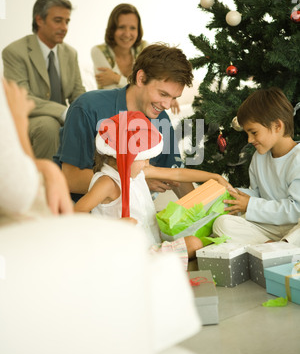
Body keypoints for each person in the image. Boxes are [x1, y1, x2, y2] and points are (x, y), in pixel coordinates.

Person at [74, 111, 230, 268]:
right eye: (145, 158)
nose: (148, 163)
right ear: (126, 157)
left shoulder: (138, 171)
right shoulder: (107, 183)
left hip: (151, 245)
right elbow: (74, 214)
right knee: (194, 244)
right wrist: (114, 228)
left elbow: (176, 173)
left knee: (197, 235)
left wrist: (214, 176)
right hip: (129, 255)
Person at [55, 43, 194, 202]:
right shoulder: (88, 107)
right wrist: (136, 181)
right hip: (86, 211)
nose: (167, 105)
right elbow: (71, 179)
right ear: (141, 78)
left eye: (174, 98)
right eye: (163, 94)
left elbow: (175, 172)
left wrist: (205, 213)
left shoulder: (160, 118)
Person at [2, 0, 86, 160]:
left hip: (62, 118)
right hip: (30, 118)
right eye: (58, 20)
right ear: (39, 20)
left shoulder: (70, 53)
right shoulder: (14, 52)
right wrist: (63, 112)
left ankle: (79, 182)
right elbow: (22, 98)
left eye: (67, 21)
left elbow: (78, 93)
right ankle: (43, 183)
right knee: (48, 126)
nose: (64, 27)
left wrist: (89, 113)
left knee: (90, 123)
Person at [213, 87, 300, 246]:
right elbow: (258, 194)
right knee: (222, 224)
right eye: (247, 134)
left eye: (254, 132)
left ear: (277, 126)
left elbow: (295, 210)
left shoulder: (298, 158)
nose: (249, 139)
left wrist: (250, 205)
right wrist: (236, 194)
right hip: (269, 225)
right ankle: (274, 246)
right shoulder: (259, 158)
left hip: (295, 227)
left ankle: (282, 247)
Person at [0, 78, 73, 226]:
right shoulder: (13, 55)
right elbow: (19, 193)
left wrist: (45, 168)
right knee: (48, 126)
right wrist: (19, 122)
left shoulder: (69, 54)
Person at [91, 3, 147, 90]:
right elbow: (111, 92)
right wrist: (138, 85)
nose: (127, 34)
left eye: (132, 28)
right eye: (121, 27)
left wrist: (117, 79)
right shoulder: (99, 51)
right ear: (112, 29)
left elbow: (150, 87)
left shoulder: (144, 48)